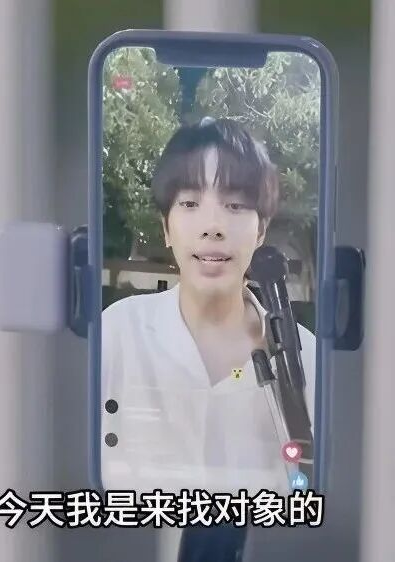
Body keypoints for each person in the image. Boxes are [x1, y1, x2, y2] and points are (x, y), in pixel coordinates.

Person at [101, 117, 315, 497]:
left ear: (261, 230)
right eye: (190, 203)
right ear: (166, 228)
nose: (212, 226)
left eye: (235, 205)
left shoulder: (308, 357)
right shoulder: (116, 332)